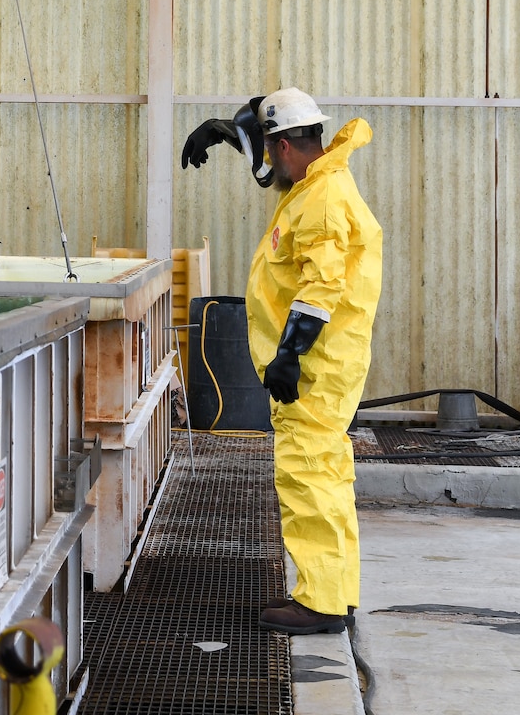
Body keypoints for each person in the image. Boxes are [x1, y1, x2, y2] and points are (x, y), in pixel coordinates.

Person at [180, 87, 383, 636]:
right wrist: (229, 131)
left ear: (287, 146)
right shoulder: (318, 183)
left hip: (314, 367)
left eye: (270, 151)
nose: (267, 164)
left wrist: (289, 356)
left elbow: (321, 284)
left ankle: (318, 604)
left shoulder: (320, 200)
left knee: (308, 477)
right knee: (328, 477)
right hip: (325, 362)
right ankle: (330, 592)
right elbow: (269, 136)